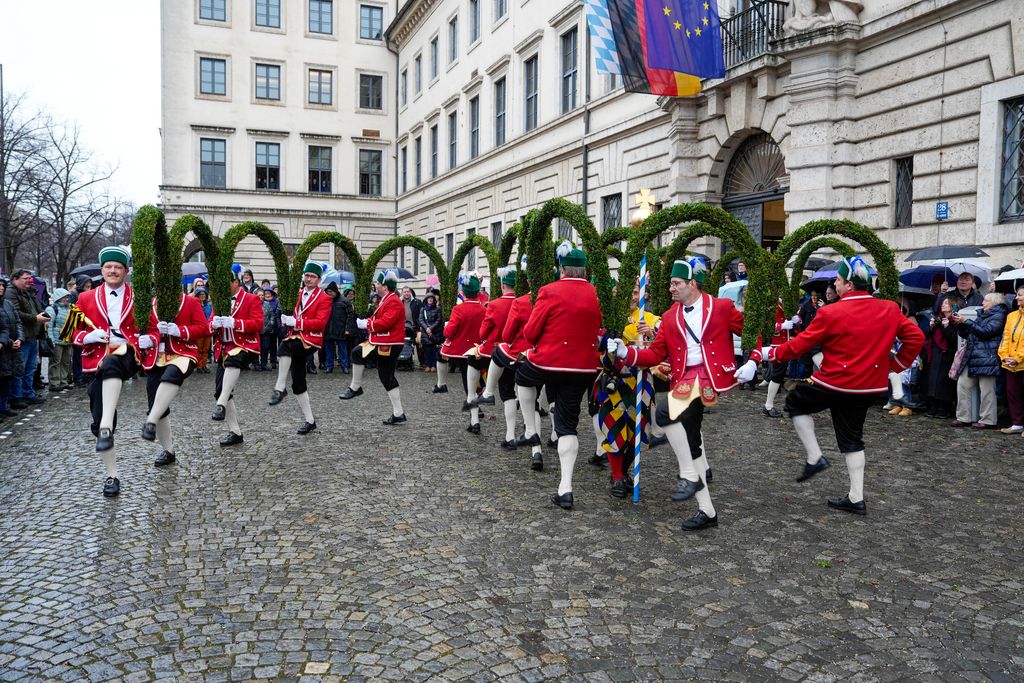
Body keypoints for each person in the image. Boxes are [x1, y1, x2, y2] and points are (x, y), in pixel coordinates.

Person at [766, 256, 925, 516]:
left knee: (795, 402)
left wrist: (772, 354)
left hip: (836, 383)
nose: (835, 285)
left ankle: (815, 457)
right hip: (869, 388)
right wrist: (895, 366)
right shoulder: (888, 308)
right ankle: (856, 497)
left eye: (838, 281)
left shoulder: (829, 311)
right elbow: (916, 337)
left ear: (849, 284)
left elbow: (802, 344)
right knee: (852, 438)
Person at [608, 258, 759, 530]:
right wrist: (624, 352)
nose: (671, 289)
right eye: (670, 284)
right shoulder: (669, 317)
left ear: (693, 284)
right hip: (684, 379)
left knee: (665, 412)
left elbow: (751, 330)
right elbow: (655, 353)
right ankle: (707, 511)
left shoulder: (720, 307)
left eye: (676, 284)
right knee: (692, 445)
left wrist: (753, 360)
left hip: (710, 377)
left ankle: (688, 474)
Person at [516, 242, 602, 510]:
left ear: (562, 269)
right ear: (584, 270)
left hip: (550, 362)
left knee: (521, 375)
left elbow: (530, 333)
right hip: (584, 368)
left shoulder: (549, 290)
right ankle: (565, 488)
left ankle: (531, 428)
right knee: (568, 425)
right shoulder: (595, 292)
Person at [72, 246, 144, 497]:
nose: (113, 271)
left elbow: (152, 329)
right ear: (102, 271)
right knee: (101, 415)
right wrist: (88, 335)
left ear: (125, 271)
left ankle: (105, 426)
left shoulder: (139, 296)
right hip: (95, 361)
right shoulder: (84, 299)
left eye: (118, 267)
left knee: (113, 361)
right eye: (108, 267)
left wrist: (147, 340)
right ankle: (112, 475)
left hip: (126, 354)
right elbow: (69, 333)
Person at [594, 279, 662, 497]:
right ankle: (617, 477)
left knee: (638, 431)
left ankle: (622, 471)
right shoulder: (610, 320)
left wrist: (651, 333)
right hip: (615, 382)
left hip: (641, 383)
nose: (632, 297)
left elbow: (665, 347)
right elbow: (600, 354)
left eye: (635, 292)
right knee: (615, 430)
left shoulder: (653, 320)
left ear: (645, 296)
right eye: (625, 292)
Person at [138, 287, 210, 467]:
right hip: (157, 357)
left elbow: (203, 328)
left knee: (171, 375)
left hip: (183, 354)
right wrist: (151, 338)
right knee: (156, 401)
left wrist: (180, 331)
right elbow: (147, 329)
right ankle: (168, 450)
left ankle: (150, 422)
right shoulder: (151, 304)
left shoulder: (191, 302)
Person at [339, 270, 408, 424]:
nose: (375, 285)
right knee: (386, 377)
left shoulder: (393, 301)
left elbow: (386, 322)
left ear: (385, 286)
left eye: (378, 283)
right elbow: (381, 318)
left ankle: (355, 387)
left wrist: (367, 324)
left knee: (357, 353)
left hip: (388, 343)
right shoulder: (387, 299)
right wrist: (367, 320)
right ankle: (398, 413)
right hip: (384, 342)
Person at [269, 262, 331, 434]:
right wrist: (286, 319)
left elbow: (320, 323)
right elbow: (292, 315)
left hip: (311, 340)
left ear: (319, 279)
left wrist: (296, 322)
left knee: (285, 346)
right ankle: (310, 420)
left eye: (312, 276)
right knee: (298, 381)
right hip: (296, 338)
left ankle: (280, 388)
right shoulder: (297, 294)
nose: (308, 279)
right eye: (306, 275)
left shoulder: (324, 298)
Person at [211, 267, 265, 446]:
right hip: (223, 349)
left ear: (236, 282)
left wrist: (236, 323)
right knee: (221, 390)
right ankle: (235, 432)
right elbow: (208, 323)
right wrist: (213, 324)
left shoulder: (251, 298)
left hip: (244, 346)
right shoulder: (219, 301)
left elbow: (258, 324)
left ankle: (220, 405)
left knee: (233, 361)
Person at [471, 267, 519, 444]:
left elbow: (483, 333)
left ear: (502, 285)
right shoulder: (526, 301)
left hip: (501, 353)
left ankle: (510, 434)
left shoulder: (495, 304)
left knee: (506, 393)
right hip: (523, 355)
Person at [951, 292, 1007, 429]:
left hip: (988, 357)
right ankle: (963, 417)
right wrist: (960, 325)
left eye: (986, 301)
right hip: (973, 356)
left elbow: (986, 332)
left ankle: (988, 420)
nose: (983, 303)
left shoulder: (999, 315)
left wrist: (966, 321)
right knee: (963, 384)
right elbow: (970, 333)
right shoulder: (983, 315)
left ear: (994, 302)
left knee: (987, 390)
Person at [440, 274, 488, 433]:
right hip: (479, 350)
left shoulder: (459, 309)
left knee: (469, 386)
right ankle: (475, 414)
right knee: (475, 382)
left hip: (463, 352)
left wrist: (446, 326)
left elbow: (449, 332)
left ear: (464, 292)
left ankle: (474, 421)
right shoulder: (484, 309)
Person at [4, 269, 47, 407]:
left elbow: (38, 307)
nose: (29, 281)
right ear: (15, 279)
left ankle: (28, 393)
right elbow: (17, 314)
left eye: (30, 278)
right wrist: (35, 318)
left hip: (32, 335)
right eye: (25, 278)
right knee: (20, 368)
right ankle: (17, 395)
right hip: (22, 336)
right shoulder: (11, 292)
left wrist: (43, 315)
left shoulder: (29, 291)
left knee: (31, 368)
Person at [763, 299, 800, 418]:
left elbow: (799, 320)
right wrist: (781, 326)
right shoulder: (773, 303)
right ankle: (768, 406)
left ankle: (769, 405)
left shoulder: (788, 303)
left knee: (779, 374)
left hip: (788, 344)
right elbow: (765, 325)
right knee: (777, 374)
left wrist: (798, 319)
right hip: (777, 345)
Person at [923, 297, 958, 419]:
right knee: (932, 381)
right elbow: (925, 335)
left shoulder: (955, 320)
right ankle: (933, 406)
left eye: (947, 303)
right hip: (934, 353)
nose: (943, 305)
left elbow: (954, 340)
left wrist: (947, 327)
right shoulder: (937, 318)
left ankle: (944, 407)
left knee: (944, 382)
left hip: (947, 354)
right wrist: (932, 326)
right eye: (943, 303)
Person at [998, 285, 1024, 434]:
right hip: (1010, 364)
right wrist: (1004, 356)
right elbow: (1005, 338)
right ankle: (1017, 423)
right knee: (1013, 394)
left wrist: (1018, 358)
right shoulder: (1011, 316)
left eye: (1020, 295)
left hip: (1021, 362)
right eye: (1017, 295)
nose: (1017, 298)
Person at [0, 277, 22, 419]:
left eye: (2, 286)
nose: (1, 288)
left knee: (6, 378)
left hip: (9, 348)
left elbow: (17, 321)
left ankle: (3, 406)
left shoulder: (8, 303)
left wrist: (19, 338)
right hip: (4, 346)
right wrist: (6, 341)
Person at [44, 288, 74, 392]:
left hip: (68, 340)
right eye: (64, 297)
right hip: (56, 340)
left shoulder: (70, 308)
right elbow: (49, 326)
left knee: (65, 362)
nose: (66, 299)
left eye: (67, 297)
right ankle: (54, 383)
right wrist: (51, 340)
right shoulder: (51, 309)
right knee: (56, 362)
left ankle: (63, 382)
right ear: (58, 298)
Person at [323, 282, 350, 374]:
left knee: (342, 349)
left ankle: (345, 366)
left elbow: (350, 316)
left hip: (340, 329)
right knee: (328, 349)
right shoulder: (325, 300)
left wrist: (347, 329)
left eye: (331, 291)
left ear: (335, 291)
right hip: (328, 329)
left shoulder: (344, 301)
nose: (329, 293)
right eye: (327, 291)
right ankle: (329, 366)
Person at [418, 292, 443, 373]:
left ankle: (433, 365)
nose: (430, 300)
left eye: (432, 298)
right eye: (429, 298)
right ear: (426, 300)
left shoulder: (438, 308)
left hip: (435, 332)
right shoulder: (423, 309)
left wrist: (431, 328)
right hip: (426, 332)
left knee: (434, 350)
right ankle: (428, 365)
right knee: (427, 350)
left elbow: (439, 320)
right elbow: (421, 320)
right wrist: (427, 328)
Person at [260, 286, 281, 371]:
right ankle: (261, 362)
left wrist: (271, 324)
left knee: (273, 345)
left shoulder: (276, 302)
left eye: (269, 293)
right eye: (266, 294)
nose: (267, 295)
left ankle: (273, 360)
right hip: (263, 328)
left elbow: (276, 313)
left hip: (274, 326)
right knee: (264, 346)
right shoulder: (262, 303)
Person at [193, 287, 213, 373]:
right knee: (199, 349)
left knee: (206, 349)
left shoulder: (209, 305)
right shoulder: (194, 305)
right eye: (200, 294)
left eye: (204, 294)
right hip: (199, 330)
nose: (202, 296)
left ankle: (204, 365)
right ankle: (199, 365)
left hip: (207, 329)